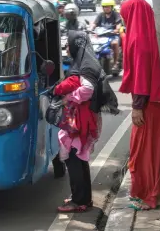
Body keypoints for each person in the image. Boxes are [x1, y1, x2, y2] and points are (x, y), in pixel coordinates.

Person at [119, 0, 160, 210]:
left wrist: (137, 106)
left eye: (125, 15)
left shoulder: (138, 39)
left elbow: (142, 76)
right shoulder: (159, 35)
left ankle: (147, 196)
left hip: (149, 104)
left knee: (143, 152)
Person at [54, 31, 118, 212]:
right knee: (79, 158)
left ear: (77, 46)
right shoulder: (85, 61)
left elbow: (87, 90)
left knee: (74, 158)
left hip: (79, 119)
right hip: (83, 117)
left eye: (69, 45)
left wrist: (69, 98)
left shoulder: (86, 66)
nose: (67, 49)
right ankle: (82, 199)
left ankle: (79, 201)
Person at [91, 0, 122, 71]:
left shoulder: (116, 14)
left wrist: (116, 29)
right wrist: (91, 29)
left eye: (107, 7)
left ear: (111, 7)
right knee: (91, 44)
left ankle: (115, 63)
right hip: (101, 36)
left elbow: (118, 25)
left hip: (112, 35)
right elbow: (94, 24)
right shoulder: (100, 15)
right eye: (104, 7)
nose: (106, 8)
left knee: (114, 43)